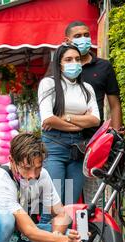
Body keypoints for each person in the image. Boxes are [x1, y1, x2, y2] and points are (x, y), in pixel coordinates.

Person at [64, 21, 123, 242]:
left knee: (95, 204)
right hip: (66, 147)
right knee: (67, 202)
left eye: (87, 34)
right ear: (67, 40)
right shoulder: (63, 66)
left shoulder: (103, 67)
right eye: (78, 35)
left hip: (96, 147)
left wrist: (115, 137)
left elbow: (115, 104)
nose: (84, 38)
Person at [38, 43, 100, 213]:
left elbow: (95, 120)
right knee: (54, 203)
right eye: (68, 59)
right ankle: (49, 238)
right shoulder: (48, 84)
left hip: (77, 150)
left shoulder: (87, 89)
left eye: (77, 59)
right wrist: (79, 122)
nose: (74, 63)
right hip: (54, 148)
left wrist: (67, 117)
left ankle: (70, 238)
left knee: (71, 204)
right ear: (59, 63)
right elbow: (48, 119)